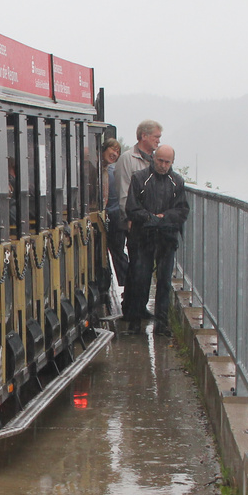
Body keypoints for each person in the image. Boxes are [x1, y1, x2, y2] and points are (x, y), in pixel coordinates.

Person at [123, 144, 188, 336]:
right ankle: (134, 323)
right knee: (140, 279)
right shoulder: (140, 178)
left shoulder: (177, 181)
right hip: (143, 237)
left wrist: (163, 218)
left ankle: (162, 324)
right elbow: (132, 208)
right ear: (154, 159)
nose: (163, 165)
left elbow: (182, 210)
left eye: (167, 162)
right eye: (160, 160)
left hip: (167, 238)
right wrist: (152, 218)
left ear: (172, 163)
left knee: (164, 281)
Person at [114, 120, 162, 314]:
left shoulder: (155, 160)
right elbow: (123, 191)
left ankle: (139, 306)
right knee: (136, 266)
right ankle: (131, 308)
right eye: (156, 137)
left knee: (146, 267)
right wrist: (131, 217)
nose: (158, 141)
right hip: (134, 223)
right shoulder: (128, 159)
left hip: (151, 223)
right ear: (144, 136)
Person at [99, 138, 129, 292]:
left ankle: (126, 284)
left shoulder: (114, 171)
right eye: (113, 149)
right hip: (102, 216)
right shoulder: (97, 169)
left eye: (118, 151)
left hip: (114, 215)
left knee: (117, 251)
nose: (115, 154)